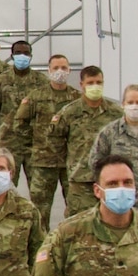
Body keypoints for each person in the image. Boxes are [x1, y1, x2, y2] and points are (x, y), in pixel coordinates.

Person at [7, 53, 77, 220]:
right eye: (56, 68)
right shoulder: (36, 97)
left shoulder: (76, 98)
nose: (60, 71)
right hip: (43, 162)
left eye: (64, 68)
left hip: (70, 163)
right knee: (40, 210)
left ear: (70, 70)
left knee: (75, 207)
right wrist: (36, 143)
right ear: (48, 70)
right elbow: (19, 123)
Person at [50, 65, 123, 217]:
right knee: (79, 224)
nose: (95, 86)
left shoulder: (116, 112)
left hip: (110, 178)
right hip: (80, 180)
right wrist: (71, 161)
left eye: (98, 82)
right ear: (81, 85)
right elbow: (54, 139)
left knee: (112, 219)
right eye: (90, 83)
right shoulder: (70, 112)